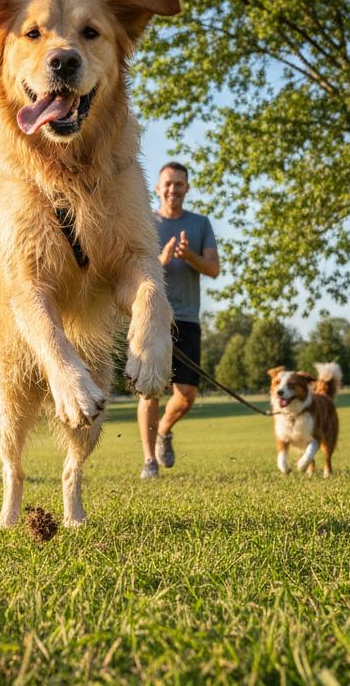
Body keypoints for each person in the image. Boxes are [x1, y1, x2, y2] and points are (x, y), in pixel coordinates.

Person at [138, 162, 219, 479]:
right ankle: (149, 462)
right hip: (151, 317)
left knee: (186, 394)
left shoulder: (200, 224)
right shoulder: (144, 223)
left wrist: (190, 258)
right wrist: (160, 261)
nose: (173, 189)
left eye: (179, 184)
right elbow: (133, 271)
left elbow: (213, 269)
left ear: (187, 188)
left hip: (187, 318)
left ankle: (165, 430)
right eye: (167, 183)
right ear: (157, 189)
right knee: (150, 390)